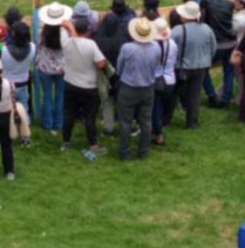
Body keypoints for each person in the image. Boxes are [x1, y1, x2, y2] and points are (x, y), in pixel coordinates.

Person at [60, 19, 108, 161]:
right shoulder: (91, 45)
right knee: (89, 117)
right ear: (87, 31)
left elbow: (71, 38)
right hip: (89, 87)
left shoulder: (67, 42)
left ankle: (66, 142)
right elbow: (100, 64)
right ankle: (92, 144)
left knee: (68, 114)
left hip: (70, 83)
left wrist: (68, 27)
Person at [116, 18, 160, 160]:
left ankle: (124, 153)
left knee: (125, 122)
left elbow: (119, 68)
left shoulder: (127, 48)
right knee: (146, 122)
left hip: (128, 88)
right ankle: (143, 152)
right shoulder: (156, 48)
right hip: (147, 88)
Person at [171, 1, 216, 129]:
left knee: (173, 94)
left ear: (184, 16)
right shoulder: (207, 29)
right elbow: (213, 48)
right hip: (201, 67)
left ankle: (165, 118)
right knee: (194, 96)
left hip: (181, 68)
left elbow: (170, 49)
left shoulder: (177, 30)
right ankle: (192, 122)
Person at [35, 3, 70, 133]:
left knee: (48, 96)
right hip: (61, 69)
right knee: (60, 96)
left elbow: (38, 47)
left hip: (45, 68)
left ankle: (48, 124)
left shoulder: (41, 33)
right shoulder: (64, 34)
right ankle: (58, 123)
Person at [201, 0, 236, 108]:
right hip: (230, 43)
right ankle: (225, 99)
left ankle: (211, 96)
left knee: (203, 69)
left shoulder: (207, 1)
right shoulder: (229, 4)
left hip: (215, 44)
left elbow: (202, 17)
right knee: (228, 72)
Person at [150, 18, 178, 146]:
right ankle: (160, 126)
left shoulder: (152, 46)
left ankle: (158, 133)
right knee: (162, 107)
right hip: (170, 79)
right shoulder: (173, 44)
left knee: (156, 107)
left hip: (156, 80)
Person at [0, 21, 35, 118]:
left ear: (13, 34)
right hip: (23, 85)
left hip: (7, 86)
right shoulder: (32, 47)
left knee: (6, 111)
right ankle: (25, 128)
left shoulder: (3, 50)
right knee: (24, 111)